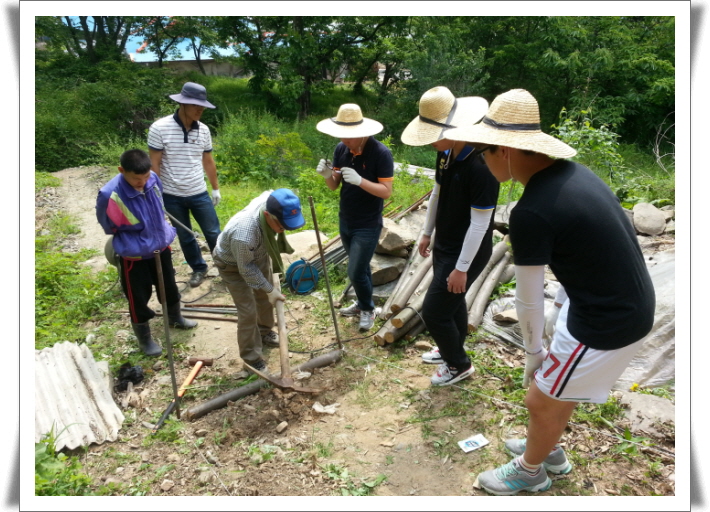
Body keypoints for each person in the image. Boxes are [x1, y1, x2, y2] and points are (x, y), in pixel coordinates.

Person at [445, 89, 656, 495]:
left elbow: (528, 299)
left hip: (606, 322)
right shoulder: (575, 174)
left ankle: (530, 470)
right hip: (613, 301)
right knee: (558, 392)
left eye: (484, 152)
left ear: (504, 150)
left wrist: (534, 353)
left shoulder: (531, 212)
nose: (482, 162)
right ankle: (549, 450)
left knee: (539, 401)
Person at [400, 86, 500, 386]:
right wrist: (427, 231)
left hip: (467, 250)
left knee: (434, 312)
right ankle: (451, 348)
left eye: (433, 133)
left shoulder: (482, 167)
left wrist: (462, 268)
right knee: (453, 303)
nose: (430, 141)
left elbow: (480, 225)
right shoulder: (446, 155)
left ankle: (458, 365)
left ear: (454, 128)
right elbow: (437, 193)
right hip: (446, 242)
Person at [96, 149, 197, 357]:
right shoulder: (110, 194)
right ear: (121, 170)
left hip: (161, 245)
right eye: (136, 178)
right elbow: (107, 224)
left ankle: (175, 318)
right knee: (138, 297)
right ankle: (145, 339)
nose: (142, 182)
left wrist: (158, 233)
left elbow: (159, 209)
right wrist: (136, 238)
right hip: (134, 254)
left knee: (169, 285)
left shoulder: (154, 180)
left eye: (146, 176)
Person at [315, 104, 394, 331]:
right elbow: (334, 185)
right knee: (361, 269)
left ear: (362, 132)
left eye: (349, 136)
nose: (344, 140)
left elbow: (386, 191)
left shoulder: (380, 153)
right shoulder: (341, 149)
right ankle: (362, 304)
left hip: (368, 222)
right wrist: (327, 175)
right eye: (341, 134)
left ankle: (368, 309)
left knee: (355, 271)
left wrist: (361, 181)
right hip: (346, 217)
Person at [212, 188, 305, 374]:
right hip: (231, 265)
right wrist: (271, 290)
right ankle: (251, 359)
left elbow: (271, 192)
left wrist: (267, 290)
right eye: (281, 226)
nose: (284, 230)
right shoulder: (244, 234)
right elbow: (246, 269)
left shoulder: (270, 201)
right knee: (248, 311)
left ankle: (264, 331)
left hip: (258, 253)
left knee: (264, 297)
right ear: (267, 215)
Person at [148, 81, 222, 288]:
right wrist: (157, 193)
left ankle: (226, 267)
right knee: (186, 235)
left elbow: (208, 161)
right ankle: (199, 268)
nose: (200, 110)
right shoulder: (160, 128)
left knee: (213, 232)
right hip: (171, 194)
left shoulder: (204, 130)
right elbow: (155, 163)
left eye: (202, 106)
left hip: (198, 191)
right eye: (194, 105)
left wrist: (215, 188)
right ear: (182, 104)